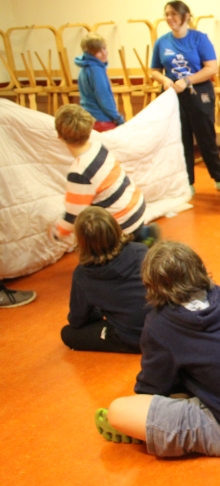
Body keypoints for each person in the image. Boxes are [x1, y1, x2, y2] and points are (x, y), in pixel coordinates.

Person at [94, 241, 220, 457]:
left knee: (119, 411)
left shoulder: (160, 324)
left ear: (152, 284)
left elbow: (151, 389)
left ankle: (148, 433)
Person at [51, 105, 159, 245]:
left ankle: (133, 246)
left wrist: (57, 232)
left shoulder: (79, 172)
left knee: (95, 239)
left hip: (122, 223)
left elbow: (74, 216)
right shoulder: (98, 147)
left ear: (60, 135)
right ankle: (143, 235)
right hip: (137, 206)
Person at [149, 0, 220, 194]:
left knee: (206, 138)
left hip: (198, 92)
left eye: (174, 14)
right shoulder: (162, 42)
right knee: (180, 139)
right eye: (167, 14)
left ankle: (219, 179)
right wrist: (164, 80)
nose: (169, 18)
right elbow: (154, 70)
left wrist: (187, 80)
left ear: (185, 16)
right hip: (173, 94)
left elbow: (211, 68)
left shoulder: (199, 38)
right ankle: (187, 183)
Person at [60, 207, 149, 353]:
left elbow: (77, 320)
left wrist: (99, 309)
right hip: (164, 328)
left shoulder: (83, 275)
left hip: (134, 339)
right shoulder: (141, 250)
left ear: (81, 241)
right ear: (115, 228)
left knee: (68, 333)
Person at [75, 33, 125, 131]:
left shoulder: (85, 67)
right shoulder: (96, 70)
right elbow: (104, 98)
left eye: (104, 48)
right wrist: (117, 118)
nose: (104, 53)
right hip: (102, 119)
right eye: (98, 51)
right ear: (89, 53)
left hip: (89, 118)